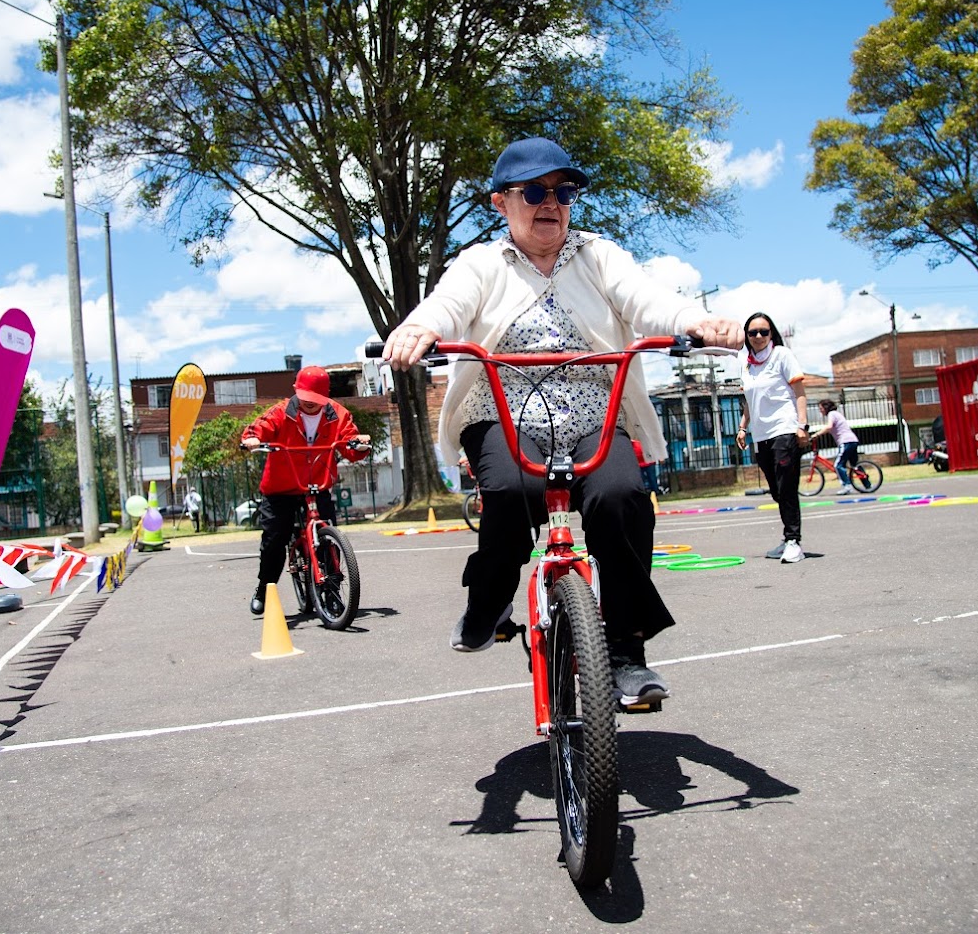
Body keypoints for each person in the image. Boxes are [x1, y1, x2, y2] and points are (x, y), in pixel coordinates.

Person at [381, 136, 743, 705]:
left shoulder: (599, 255)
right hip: (502, 408)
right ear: (501, 203)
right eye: (533, 191)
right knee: (512, 487)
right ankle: (489, 598)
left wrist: (700, 323)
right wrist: (417, 328)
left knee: (623, 497)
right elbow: (447, 305)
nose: (550, 202)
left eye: (563, 191)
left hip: (596, 410)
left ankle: (626, 651)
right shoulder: (480, 263)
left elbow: (649, 301)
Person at [240, 365, 371, 615]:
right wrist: (253, 439)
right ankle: (264, 588)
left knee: (328, 541)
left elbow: (350, 445)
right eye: (306, 398)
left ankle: (331, 593)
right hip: (281, 488)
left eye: (317, 399)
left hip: (318, 485)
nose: (311, 404)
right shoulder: (281, 412)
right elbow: (260, 428)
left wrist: (359, 446)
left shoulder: (338, 415)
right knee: (274, 540)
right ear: (296, 391)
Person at [734, 313, 809, 564]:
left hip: (785, 428)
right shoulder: (746, 364)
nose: (758, 337)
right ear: (747, 335)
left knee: (786, 486)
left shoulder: (782, 356)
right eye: (753, 332)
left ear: (771, 333)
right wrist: (743, 427)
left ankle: (793, 541)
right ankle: (788, 537)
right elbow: (749, 401)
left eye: (763, 332)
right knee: (777, 490)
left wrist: (802, 425)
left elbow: (799, 393)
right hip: (761, 435)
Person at [816, 399, 860, 493]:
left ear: (826, 407)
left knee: (838, 465)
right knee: (854, 465)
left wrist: (817, 434)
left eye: (821, 408)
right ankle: (867, 484)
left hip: (845, 441)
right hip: (852, 440)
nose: (820, 410)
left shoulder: (832, 414)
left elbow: (829, 427)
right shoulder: (836, 414)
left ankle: (847, 486)